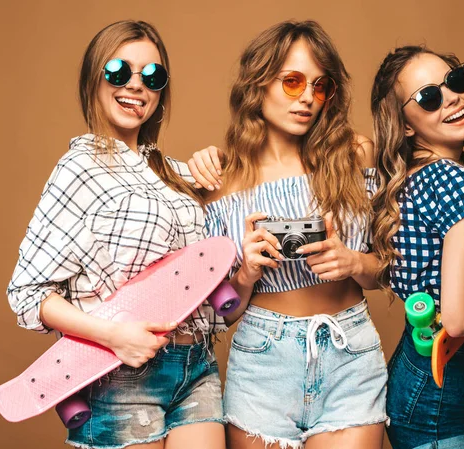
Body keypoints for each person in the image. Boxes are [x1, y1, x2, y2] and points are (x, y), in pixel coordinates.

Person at [7, 20, 225, 449]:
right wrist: (112, 336)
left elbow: (221, 239)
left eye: (153, 77)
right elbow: (27, 293)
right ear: (94, 76)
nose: (135, 86)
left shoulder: (172, 173)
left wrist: (216, 161)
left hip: (197, 364)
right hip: (119, 376)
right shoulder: (80, 168)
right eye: (118, 70)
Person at [191, 20, 388, 449]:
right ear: (257, 84)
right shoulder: (219, 181)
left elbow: (383, 272)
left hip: (349, 354)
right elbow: (222, 314)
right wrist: (245, 274)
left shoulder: (355, 153)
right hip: (263, 362)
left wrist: (353, 262)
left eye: (321, 86)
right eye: (293, 81)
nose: (307, 99)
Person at [369, 45, 464, 449]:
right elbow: (456, 320)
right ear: (404, 124)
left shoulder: (418, 176)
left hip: (414, 377)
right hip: (434, 405)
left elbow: (432, 257)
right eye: (429, 97)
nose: (453, 97)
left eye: (454, 80)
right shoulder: (458, 182)